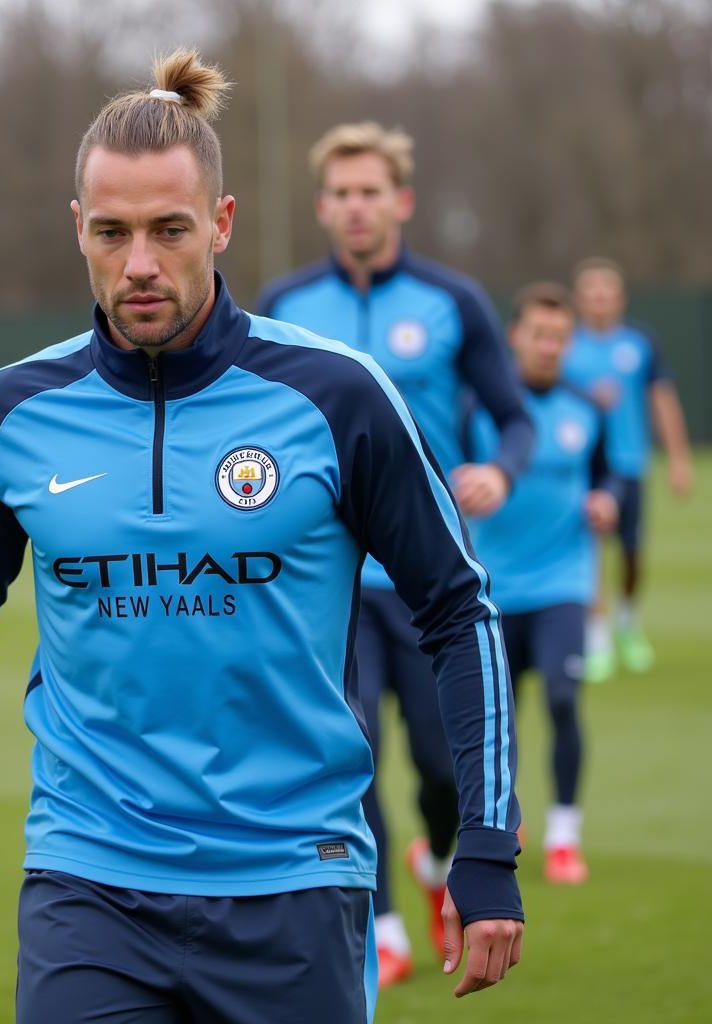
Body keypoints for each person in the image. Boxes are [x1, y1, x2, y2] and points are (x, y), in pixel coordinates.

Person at [0, 52, 523, 1023]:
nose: (139, 263)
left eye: (169, 230)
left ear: (221, 224)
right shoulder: (12, 413)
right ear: (78, 228)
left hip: (295, 880)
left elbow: (457, 609)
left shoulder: (336, 395)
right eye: (111, 232)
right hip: (89, 883)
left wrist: (484, 844)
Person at [256, 122, 533, 986]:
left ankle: (437, 855)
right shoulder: (285, 306)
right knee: (352, 740)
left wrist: (498, 466)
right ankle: (380, 924)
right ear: (321, 207)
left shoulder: (454, 303)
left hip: (426, 577)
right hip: (329, 580)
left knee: (443, 771)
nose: (355, 207)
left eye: (370, 191)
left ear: (402, 201)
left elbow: (516, 415)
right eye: (339, 194)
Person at [463, 282, 622, 884]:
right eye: (539, 334)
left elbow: (610, 479)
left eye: (560, 336)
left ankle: (563, 835)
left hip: (564, 582)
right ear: (515, 337)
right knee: (498, 715)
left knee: (561, 695)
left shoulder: (587, 408)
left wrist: (605, 499)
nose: (549, 347)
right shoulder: (478, 409)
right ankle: (508, 817)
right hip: (494, 589)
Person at [563, 258, 693, 682]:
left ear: (620, 298)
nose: (600, 299)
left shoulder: (639, 343)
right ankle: (596, 635)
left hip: (630, 464)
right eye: (591, 291)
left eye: (608, 291)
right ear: (580, 299)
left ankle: (627, 621)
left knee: (633, 552)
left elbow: (662, 399)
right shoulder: (564, 344)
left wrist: (678, 459)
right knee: (591, 548)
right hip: (580, 466)